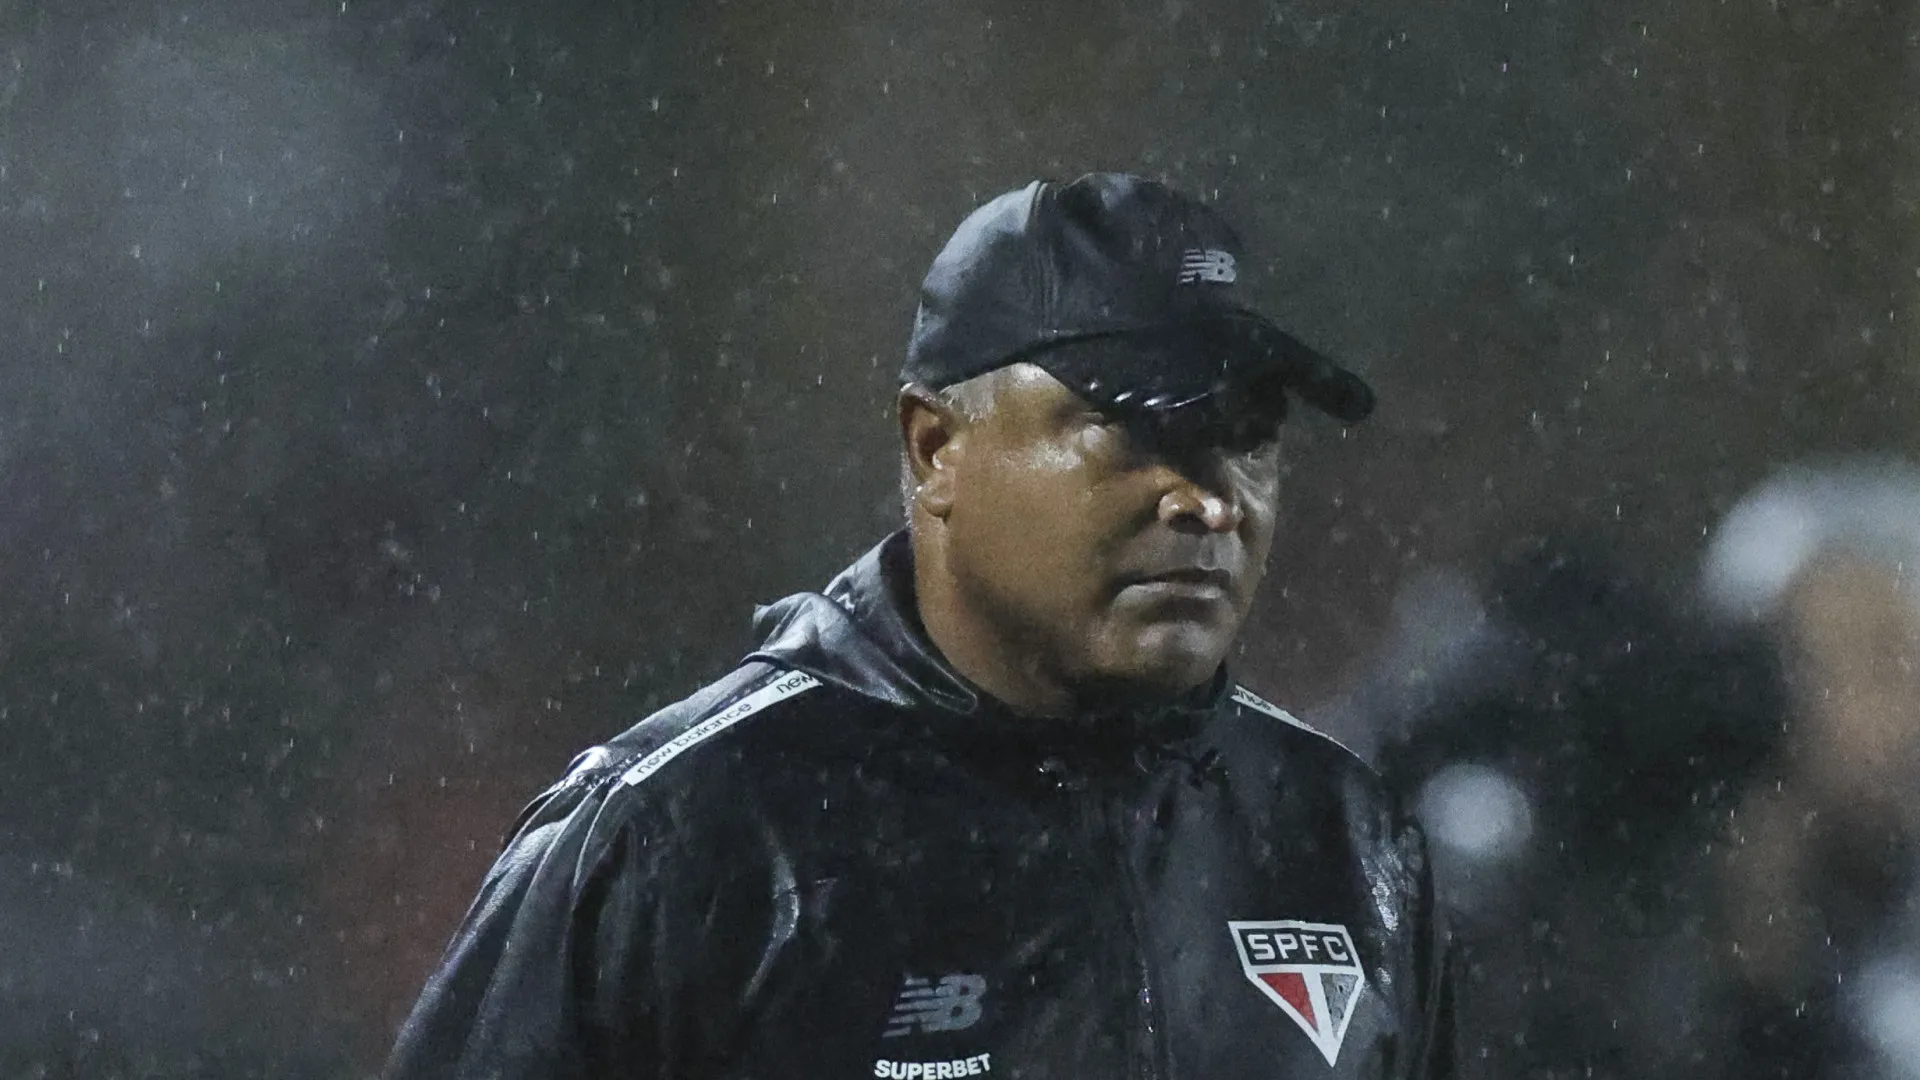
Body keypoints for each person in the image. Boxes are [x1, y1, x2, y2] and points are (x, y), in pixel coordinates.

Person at [384, 172, 1455, 1080]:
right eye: (1133, 427)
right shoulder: (683, 839)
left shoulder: (1346, 839)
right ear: (936, 447)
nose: (1208, 500)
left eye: (1248, 438)